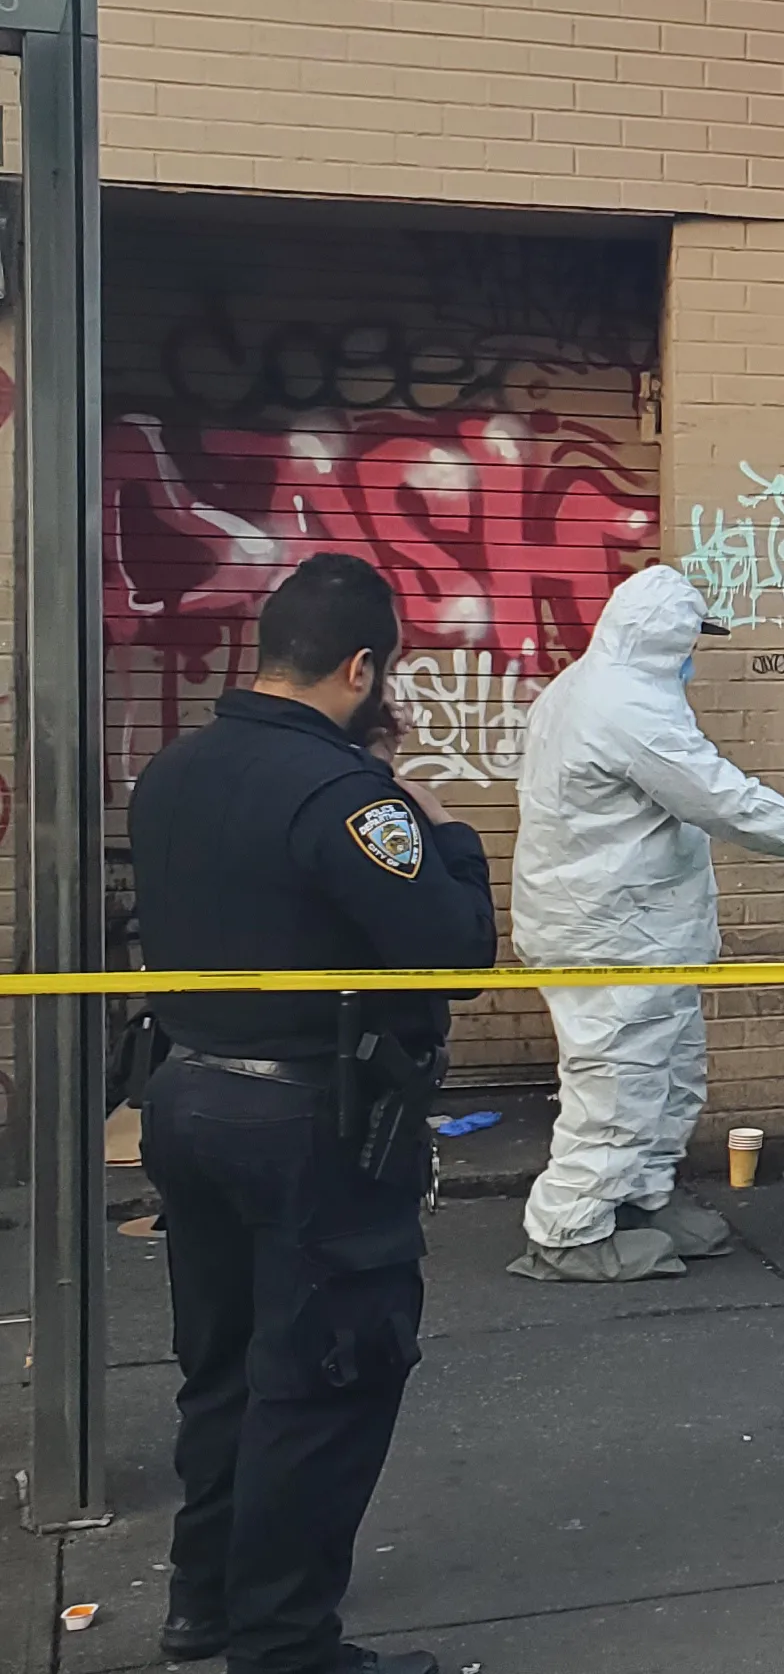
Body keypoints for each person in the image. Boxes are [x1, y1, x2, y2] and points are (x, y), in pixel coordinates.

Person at [131, 554, 500, 1674]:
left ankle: (204, 1603)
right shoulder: (348, 799)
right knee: (329, 1374)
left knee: (227, 1365)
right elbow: (452, 956)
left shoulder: (173, 772)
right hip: (308, 1124)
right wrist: (444, 832)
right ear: (360, 666)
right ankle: (286, 1646)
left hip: (187, 1097)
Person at [508, 565, 784, 1282]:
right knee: (617, 1082)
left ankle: (641, 1199)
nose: (692, 657)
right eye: (690, 640)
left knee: (665, 1076)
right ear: (669, 635)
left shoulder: (589, 689)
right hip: (610, 930)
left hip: (629, 926)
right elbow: (714, 795)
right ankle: (570, 1229)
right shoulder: (625, 704)